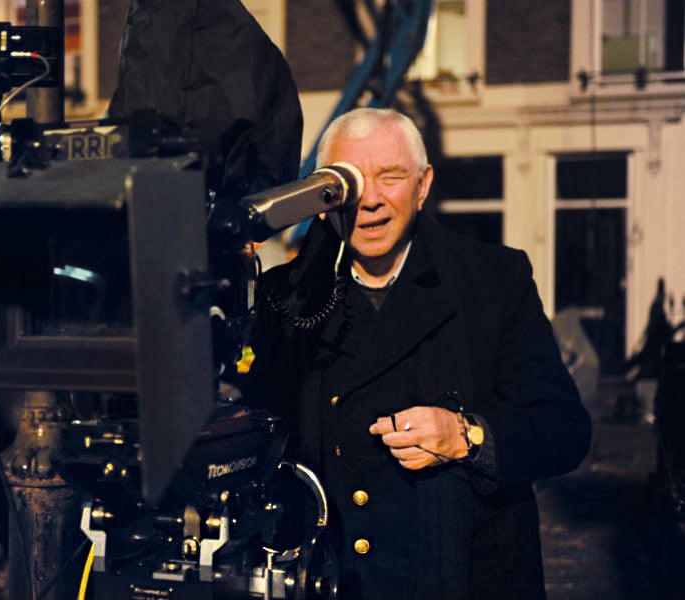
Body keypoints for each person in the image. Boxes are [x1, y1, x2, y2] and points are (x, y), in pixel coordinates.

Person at [248, 107, 592, 599]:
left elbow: (565, 430)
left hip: (464, 578)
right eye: (348, 181)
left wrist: (466, 436)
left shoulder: (493, 280)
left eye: (391, 177)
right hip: (332, 582)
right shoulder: (285, 297)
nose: (369, 201)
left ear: (423, 184)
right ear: (321, 196)